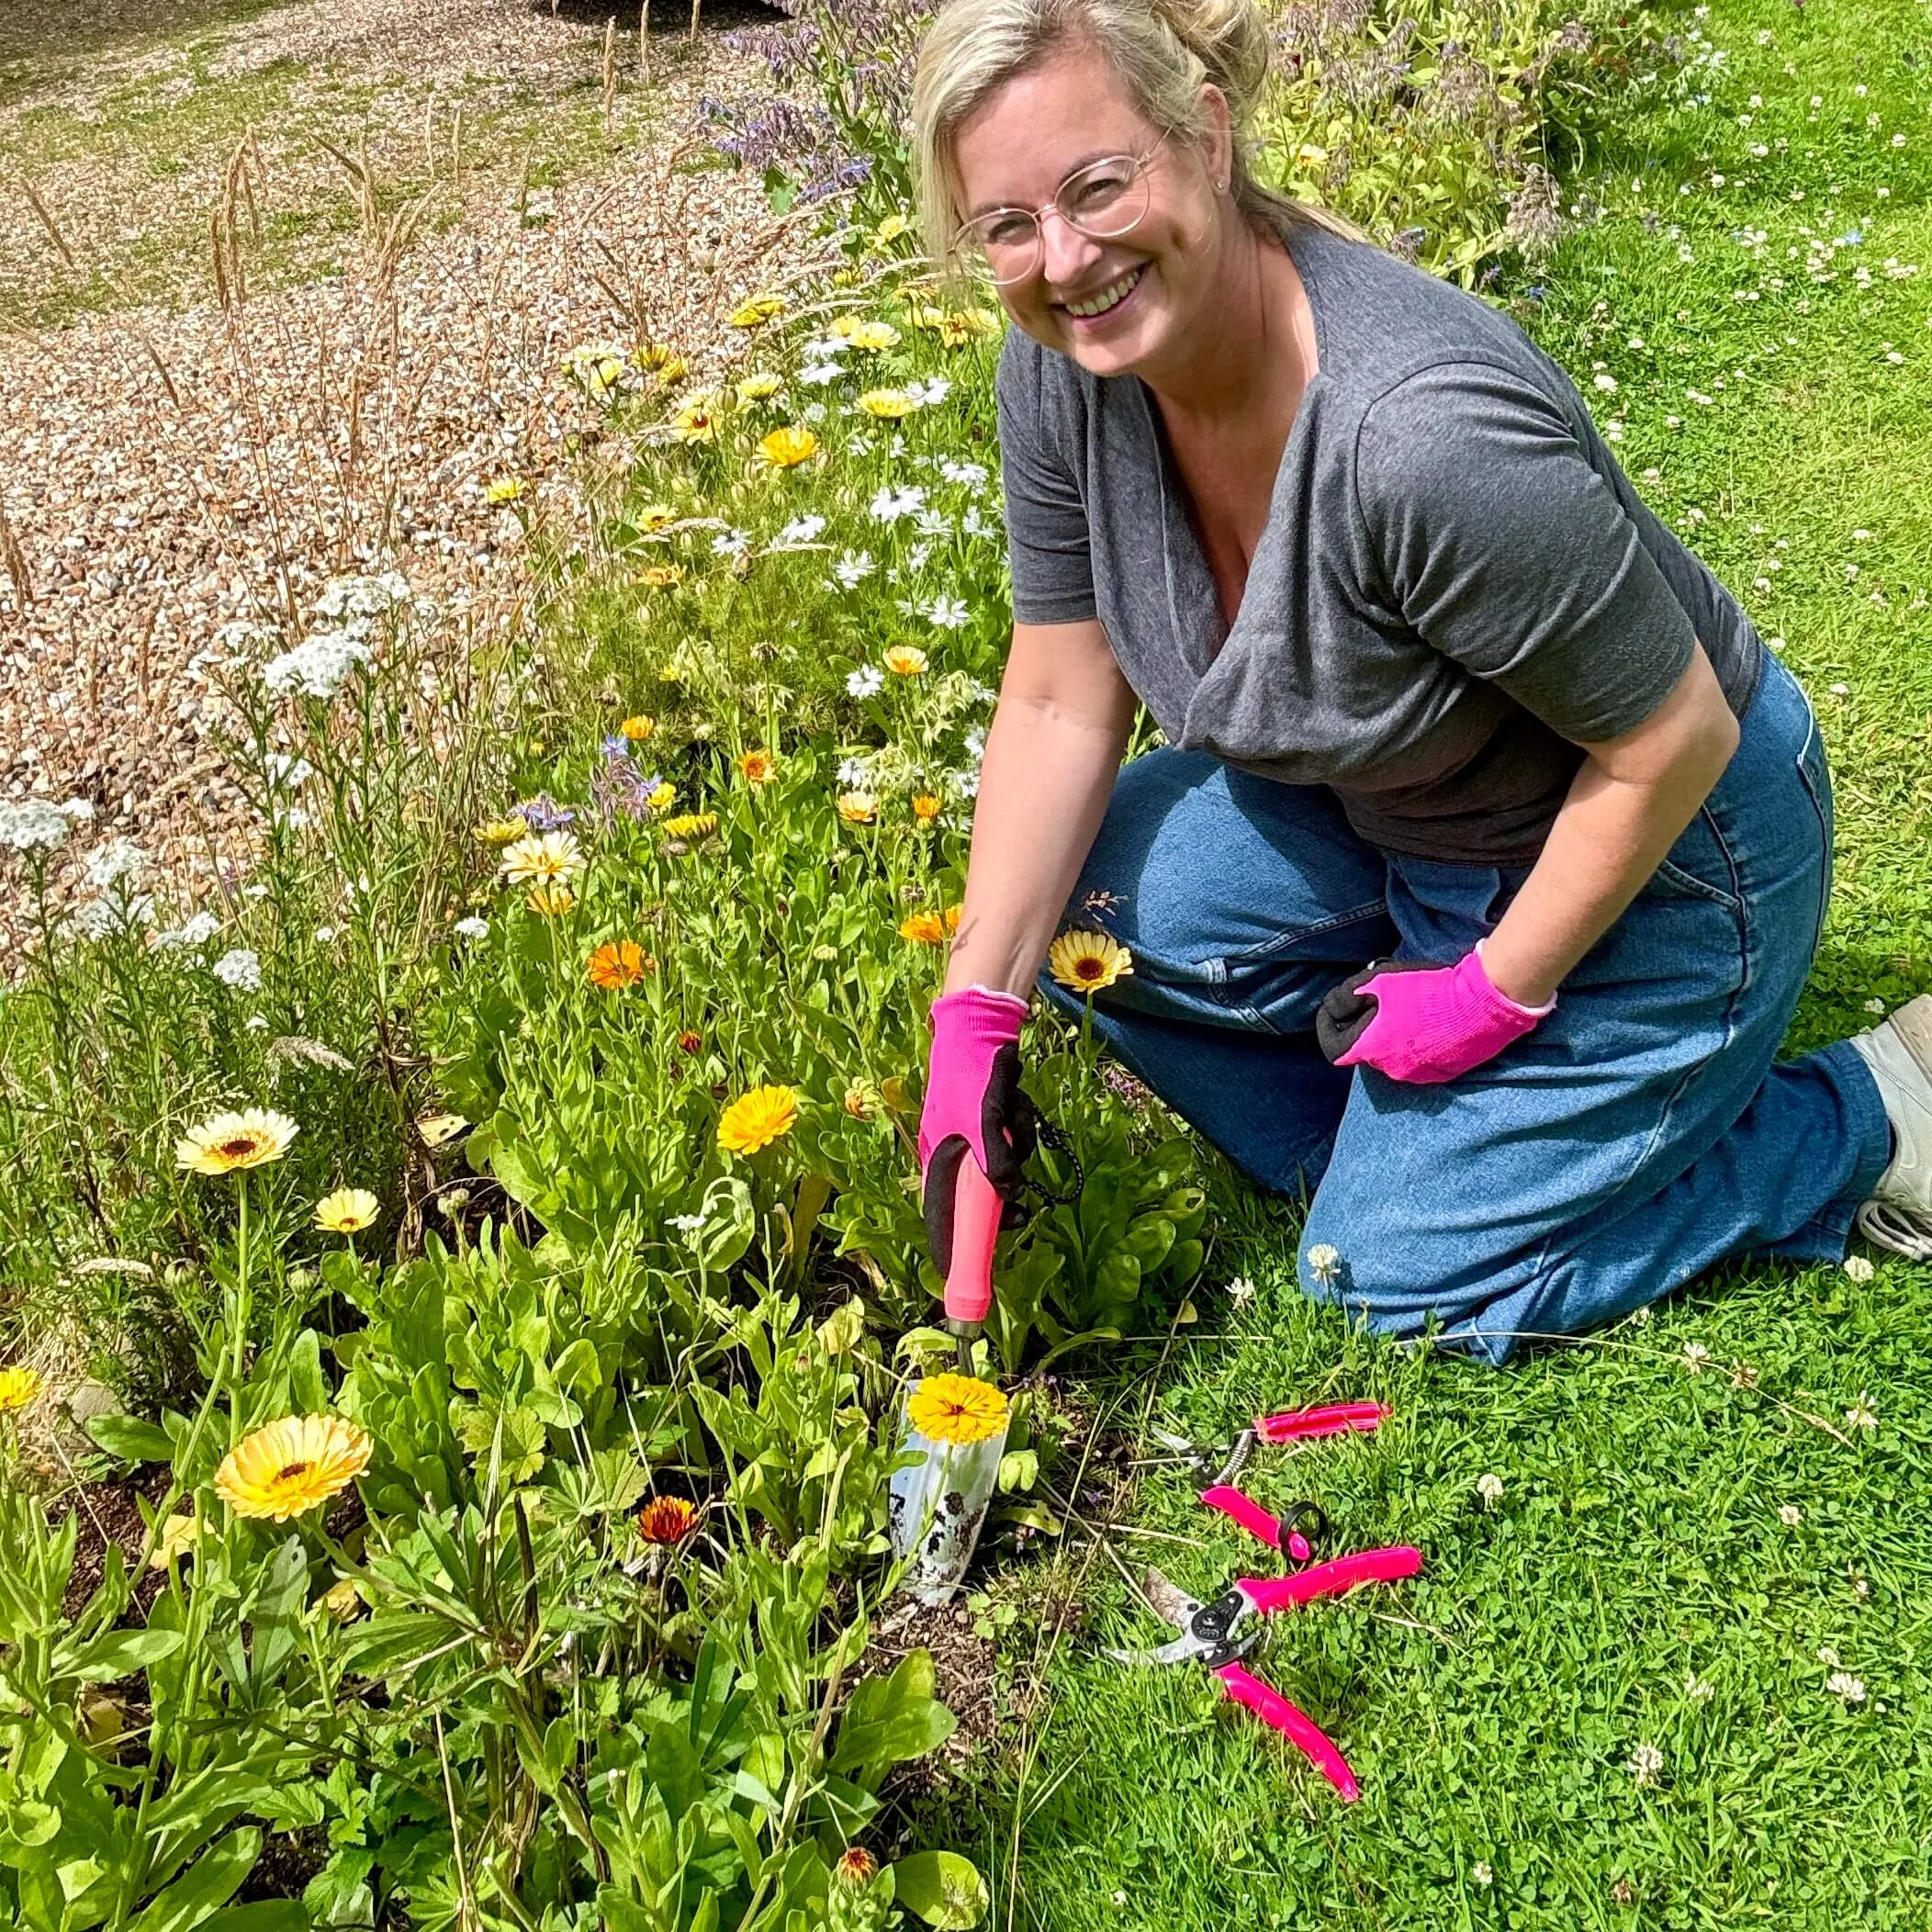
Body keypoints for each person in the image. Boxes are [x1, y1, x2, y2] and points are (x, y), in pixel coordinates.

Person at [905, 0, 1932, 1364]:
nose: (1067, 259)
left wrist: (1494, 992)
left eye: (1100, 187)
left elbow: (1672, 735)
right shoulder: (1067, 377)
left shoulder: (1418, 437)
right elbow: (1056, 698)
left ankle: (1871, 1118)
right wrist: (976, 1011)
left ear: (1205, 135)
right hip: (1398, 822)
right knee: (1080, 908)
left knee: (1381, 1282)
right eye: (1009, 226)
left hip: (1674, 849)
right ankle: (1453, 1167)